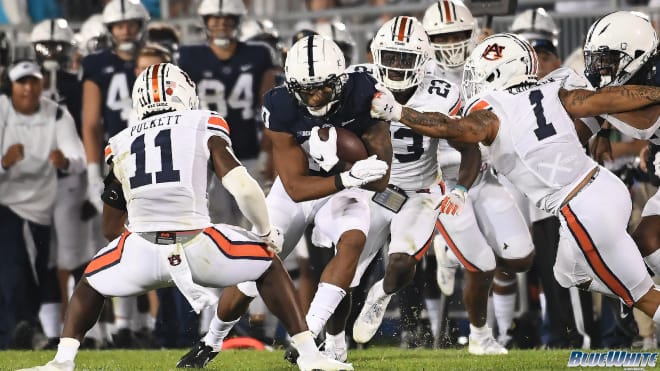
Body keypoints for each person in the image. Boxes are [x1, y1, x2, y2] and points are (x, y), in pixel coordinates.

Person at [18, 63, 352, 371]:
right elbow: (241, 184)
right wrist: (265, 230)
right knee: (267, 262)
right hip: (198, 247)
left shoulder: (119, 142)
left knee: (89, 283)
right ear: (184, 92)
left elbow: (109, 227)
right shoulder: (202, 122)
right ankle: (309, 355)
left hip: (141, 250)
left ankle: (62, 360)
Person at [370, 31, 660, 329]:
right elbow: (603, 100)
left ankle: (628, 283)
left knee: (643, 298)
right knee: (567, 273)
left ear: (496, 72)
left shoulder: (490, 114)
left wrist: (400, 112)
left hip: (581, 209)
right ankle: (621, 274)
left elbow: (449, 127)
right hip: (606, 187)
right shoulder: (550, 89)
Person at [179, 34, 392, 366]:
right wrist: (345, 175)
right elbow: (293, 186)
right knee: (253, 267)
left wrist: (351, 171)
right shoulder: (279, 104)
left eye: (323, 86)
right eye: (306, 89)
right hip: (304, 189)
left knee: (352, 242)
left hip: (347, 186)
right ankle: (212, 341)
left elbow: (382, 178)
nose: (315, 96)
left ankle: (312, 334)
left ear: (340, 79)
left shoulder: (364, 93)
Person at [347, 15, 481, 346]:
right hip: (373, 189)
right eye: (389, 56)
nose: (394, 65)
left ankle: (381, 294)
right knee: (345, 271)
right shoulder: (356, 85)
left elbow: (469, 147)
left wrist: (461, 188)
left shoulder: (444, 93)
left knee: (402, 262)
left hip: (419, 191)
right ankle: (327, 344)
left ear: (422, 60)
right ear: (375, 55)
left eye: (403, 58)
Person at [423, 0, 535, 352]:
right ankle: (480, 338)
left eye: (458, 34)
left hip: (483, 172)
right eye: (442, 37)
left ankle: (451, 252)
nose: (452, 44)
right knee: (482, 263)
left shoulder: (488, 59)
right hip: (441, 176)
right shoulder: (418, 73)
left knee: (519, 258)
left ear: (472, 33)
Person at [583, 11, 660, 348]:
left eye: (609, 60)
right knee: (644, 241)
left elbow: (644, 120)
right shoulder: (645, 71)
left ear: (637, 52)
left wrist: (593, 111)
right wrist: (602, 124)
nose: (601, 69)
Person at [0, 60, 85, 349]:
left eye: (33, 81)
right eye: (22, 82)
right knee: (14, 266)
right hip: (4, 201)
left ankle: (25, 329)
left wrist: (66, 162)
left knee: (37, 268)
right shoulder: (1, 110)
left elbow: (79, 157)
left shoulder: (56, 113)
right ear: (11, 86)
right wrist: (4, 162)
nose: (28, 88)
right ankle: (17, 327)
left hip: (40, 205)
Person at [178, 0, 279, 227]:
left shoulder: (258, 54)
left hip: (248, 149)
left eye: (227, 19)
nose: (221, 24)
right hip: (206, 153)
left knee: (255, 223)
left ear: (238, 22)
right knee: (215, 223)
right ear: (205, 22)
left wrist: (267, 151)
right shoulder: (187, 56)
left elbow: (270, 108)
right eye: (215, 19)